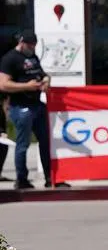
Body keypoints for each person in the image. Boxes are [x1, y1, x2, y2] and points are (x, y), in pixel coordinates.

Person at [0, 31, 58, 190]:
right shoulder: (9, 59)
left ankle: (50, 177)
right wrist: (27, 86)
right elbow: (3, 84)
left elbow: (42, 74)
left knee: (46, 142)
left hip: (37, 104)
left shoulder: (32, 57)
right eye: (29, 45)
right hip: (20, 106)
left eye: (34, 45)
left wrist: (46, 80)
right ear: (22, 42)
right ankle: (21, 179)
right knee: (23, 144)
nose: (32, 48)